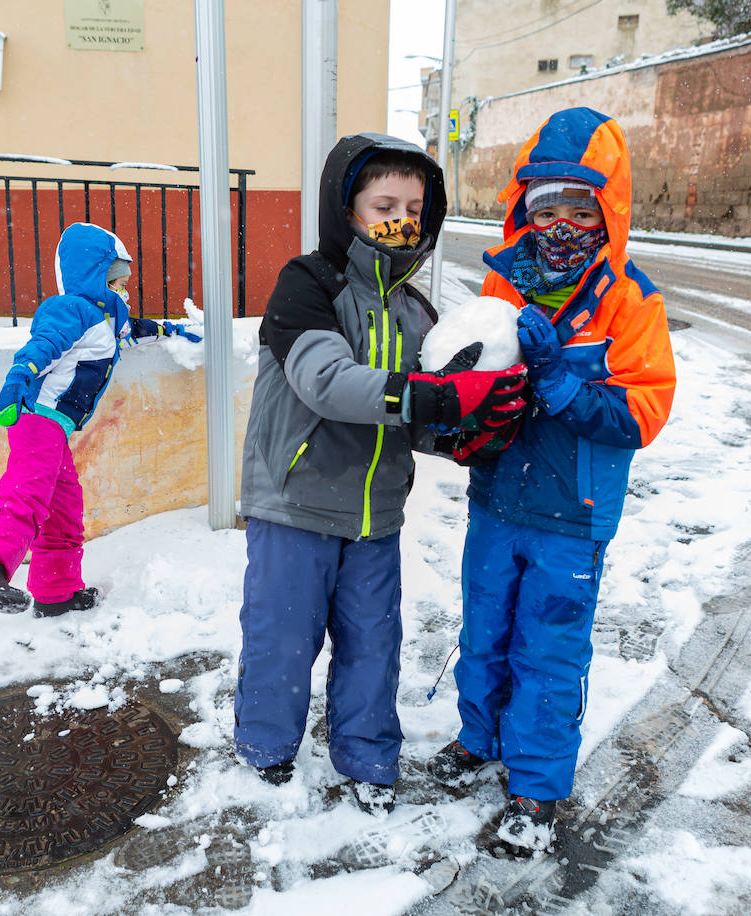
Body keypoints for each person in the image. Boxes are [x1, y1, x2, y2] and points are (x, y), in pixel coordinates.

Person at [235, 132, 528, 815]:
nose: (402, 217)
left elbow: (419, 417)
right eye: (383, 203)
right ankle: (265, 749)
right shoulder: (308, 284)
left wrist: (470, 431)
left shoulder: (417, 312)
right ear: (348, 210)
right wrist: (431, 396)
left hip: (374, 516)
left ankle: (367, 756)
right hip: (296, 504)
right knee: (282, 638)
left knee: (374, 646)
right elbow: (324, 381)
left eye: (415, 206)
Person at [424, 107, 677, 854]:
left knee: (548, 651)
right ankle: (478, 739)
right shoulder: (503, 288)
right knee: (484, 630)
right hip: (498, 500)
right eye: (546, 208)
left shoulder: (630, 299)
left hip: (572, 512)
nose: (561, 225)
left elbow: (644, 409)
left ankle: (535, 789)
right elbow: (470, 379)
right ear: (522, 211)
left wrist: (560, 380)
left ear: (608, 211)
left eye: (579, 209)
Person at [0, 221, 200, 618]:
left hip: (57, 428)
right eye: (114, 280)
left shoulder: (107, 317)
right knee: (28, 489)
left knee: (64, 508)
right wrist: (15, 385)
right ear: (92, 274)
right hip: (35, 418)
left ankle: (56, 593)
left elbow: (130, 333)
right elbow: (40, 348)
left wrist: (172, 330)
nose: (121, 288)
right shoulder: (68, 310)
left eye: (124, 281)